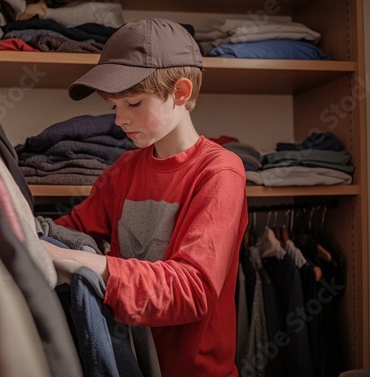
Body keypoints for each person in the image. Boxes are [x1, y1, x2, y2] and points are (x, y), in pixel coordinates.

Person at [42, 18, 248, 377]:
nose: (120, 119)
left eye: (134, 103)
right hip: (130, 365)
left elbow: (193, 289)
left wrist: (80, 262)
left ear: (180, 93)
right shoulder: (123, 169)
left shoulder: (219, 173)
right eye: (114, 106)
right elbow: (71, 229)